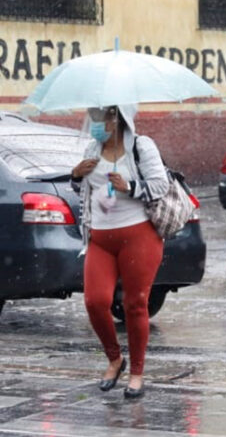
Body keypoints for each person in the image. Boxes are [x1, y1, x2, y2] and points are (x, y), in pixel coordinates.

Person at [70, 104, 169, 400]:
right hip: (100, 238)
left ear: (121, 117)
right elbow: (83, 191)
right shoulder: (92, 147)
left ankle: (137, 372)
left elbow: (160, 186)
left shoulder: (142, 146)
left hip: (138, 236)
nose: (100, 122)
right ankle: (115, 359)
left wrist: (130, 187)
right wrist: (75, 176)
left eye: (107, 115)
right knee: (95, 302)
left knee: (135, 304)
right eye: (96, 116)